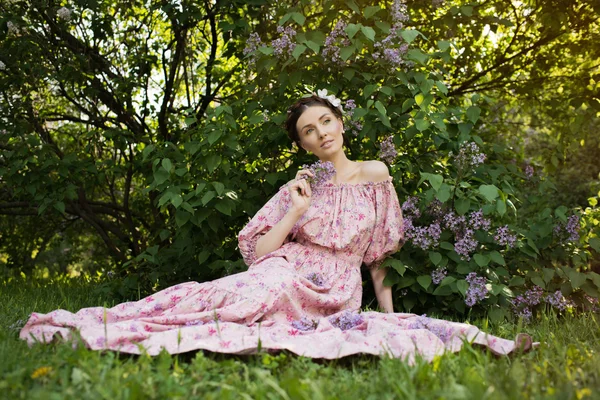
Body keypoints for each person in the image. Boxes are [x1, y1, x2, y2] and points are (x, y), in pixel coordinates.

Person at [19, 92, 533, 362]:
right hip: (285, 270)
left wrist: (391, 318)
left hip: (338, 288)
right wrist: (293, 208)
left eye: (325, 122)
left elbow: (378, 257)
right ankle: (114, 324)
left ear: (340, 122)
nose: (320, 133)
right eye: (309, 132)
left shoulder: (377, 176)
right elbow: (260, 252)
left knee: (251, 306)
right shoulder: (301, 184)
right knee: (239, 297)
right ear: (304, 145)